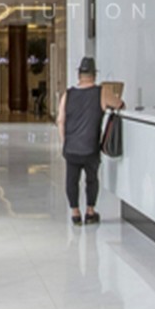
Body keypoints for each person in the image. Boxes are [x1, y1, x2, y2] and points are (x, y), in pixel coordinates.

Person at [55, 57, 119, 226]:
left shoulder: (68, 94)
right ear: (94, 75)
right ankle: (90, 212)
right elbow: (119, 104)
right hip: (91, 147)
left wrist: (64, 142)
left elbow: (60, 120)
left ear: (79, 75)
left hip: (71, 147)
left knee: (71, 180)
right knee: (92, 180)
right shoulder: (101, 92)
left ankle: (75, 214)